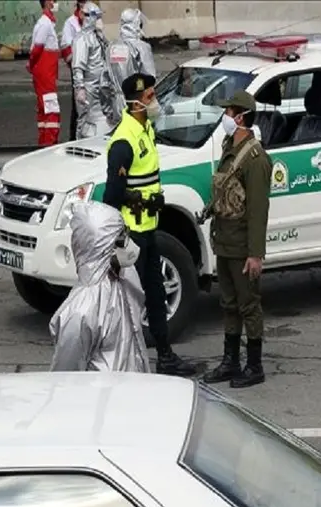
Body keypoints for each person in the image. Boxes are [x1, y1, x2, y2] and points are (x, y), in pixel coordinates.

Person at [103, 72, 197, 376]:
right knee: (130, 301)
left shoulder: (146, 130)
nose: (155, 101)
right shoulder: (124, 140)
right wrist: (140, 203)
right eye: (150, 97)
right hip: (131, 236)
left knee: (155, 294)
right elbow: (112, 195)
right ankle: (124, 362)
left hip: (148, 229)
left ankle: (165, 355)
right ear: (135, 104)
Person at [200, 91, 272, 388]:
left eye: (228, 112)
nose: (225, 118)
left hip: (243, 245)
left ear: (240, 117)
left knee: (248, 304)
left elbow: (258, 210)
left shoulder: (255, 158)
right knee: (229, 303)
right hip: (225, 241)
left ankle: (254, 366)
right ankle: (230, 362)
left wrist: (256, 254)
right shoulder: (230, 146)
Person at [49, 200, 150, 372]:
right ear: (102, 248)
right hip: (103, 396)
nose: (128, 243)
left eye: (126, 234)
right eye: (121, 239)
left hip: (134, 390)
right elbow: (65, 378)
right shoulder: (81, 312)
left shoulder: (125, 277)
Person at [71, 2, 113, 139]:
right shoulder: (82, 39)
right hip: (88, 87)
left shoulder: (97, 36)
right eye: (97, 17)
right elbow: (77, 66)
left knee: (98, 119)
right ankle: (79, 146)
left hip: (100, 86)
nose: (99, 20)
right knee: (85, 120)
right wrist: (80, 88)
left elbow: (107, 52)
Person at [106, 8, 156, 125]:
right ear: (137, 23)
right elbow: (150, 80)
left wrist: (108, 110)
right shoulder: (142, 47)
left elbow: (104, 83)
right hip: (136, 103)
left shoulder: (111, 47)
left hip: (117, 103)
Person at [29, 0, 62, 146]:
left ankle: (44, 142)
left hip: (45, 74)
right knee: (51, 110)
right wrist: (30, 64)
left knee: (44, 110)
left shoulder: (46, 23)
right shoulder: (45, 24)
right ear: (48, 2)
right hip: (45, 75)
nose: (56, 3)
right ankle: (49, 144)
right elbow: (37, 48)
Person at [59, 0, 84, 140]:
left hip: (93, 71)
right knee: (77, 105)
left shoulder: (92, 20)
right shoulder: (70, 23)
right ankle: (74, 138)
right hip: (78, 69)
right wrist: (76, 64)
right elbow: (65, 47)